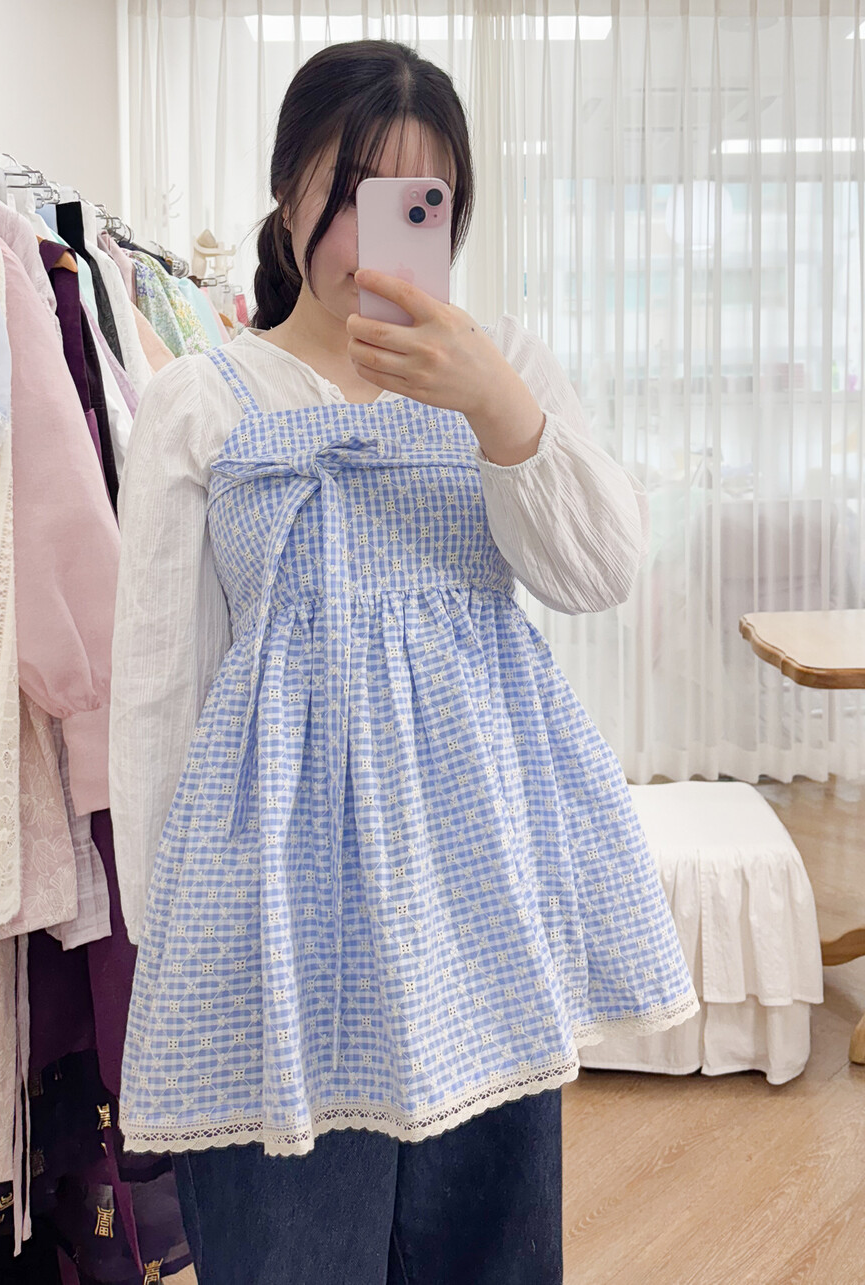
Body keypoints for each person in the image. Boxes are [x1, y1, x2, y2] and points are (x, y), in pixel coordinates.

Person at [109, 39, 697, 1285]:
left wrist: (495, 404)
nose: (370, 235)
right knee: (292, 1246)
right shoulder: (202, 399)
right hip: (282, 905)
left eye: (413, 202)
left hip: (477, 882)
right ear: (287, 190)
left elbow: (597, 570)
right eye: (346, 191)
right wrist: (169, 939)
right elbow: (161, 687)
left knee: (486, 1241)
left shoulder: (500, 368)